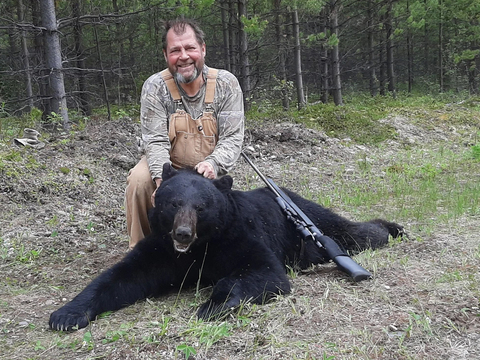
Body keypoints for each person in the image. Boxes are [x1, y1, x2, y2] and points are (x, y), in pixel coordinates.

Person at [125, 18, 245, 248]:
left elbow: (232, 138)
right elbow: (155, 140)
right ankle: (139, 249)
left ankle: (208, 253)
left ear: (202, 49)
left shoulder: (226, 84)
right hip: (168, 167)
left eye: (190, 48)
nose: (183, 56)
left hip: (207, 170)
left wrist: (213, 164)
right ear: (165, 54)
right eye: (175, 50)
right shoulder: (155, 87)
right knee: (139, 181)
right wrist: (163, 182)